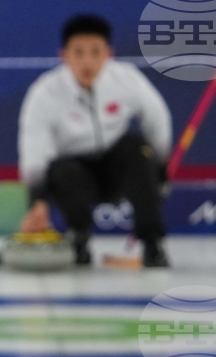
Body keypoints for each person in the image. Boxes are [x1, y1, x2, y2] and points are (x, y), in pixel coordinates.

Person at [18, 14, 173, 267]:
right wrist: (37, 201)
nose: (87, 61)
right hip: (76, 173)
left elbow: (158, 118)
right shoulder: (44, 93)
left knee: (137, 149)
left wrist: (161, 168)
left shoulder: (127, 79)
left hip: (117, 167)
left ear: (108, 54)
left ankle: (153, 244)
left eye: (95, 52)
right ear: (64, 55)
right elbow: (33, 148)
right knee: (60, 171)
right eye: (78, 53)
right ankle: (79, 237)